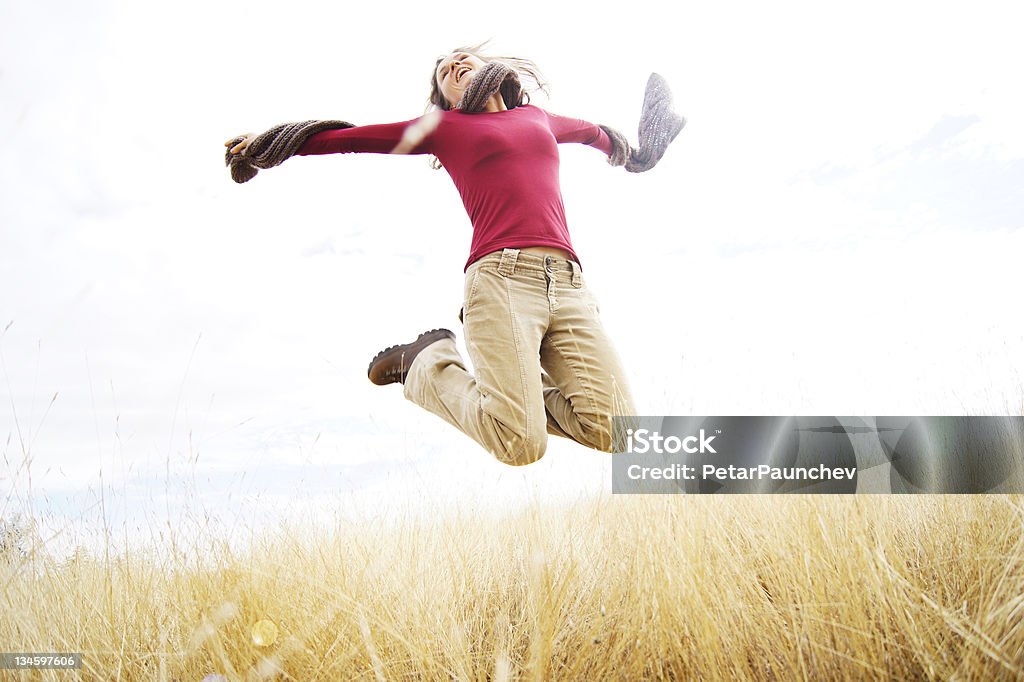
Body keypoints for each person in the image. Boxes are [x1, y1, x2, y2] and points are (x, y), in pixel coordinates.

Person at [225, 45, 682, 466]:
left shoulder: (538, 117)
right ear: (444, 98)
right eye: (444, 72)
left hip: (569, 284)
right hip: (502, 281)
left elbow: (594, 134)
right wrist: (266, 144)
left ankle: (512, 387)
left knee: (614, 431)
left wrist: (636, 154)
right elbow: (351, 138)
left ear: (491, 70)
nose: (454, 65)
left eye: (462, 58)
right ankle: (427, 362)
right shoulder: (446, 128)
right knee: (521, 445)